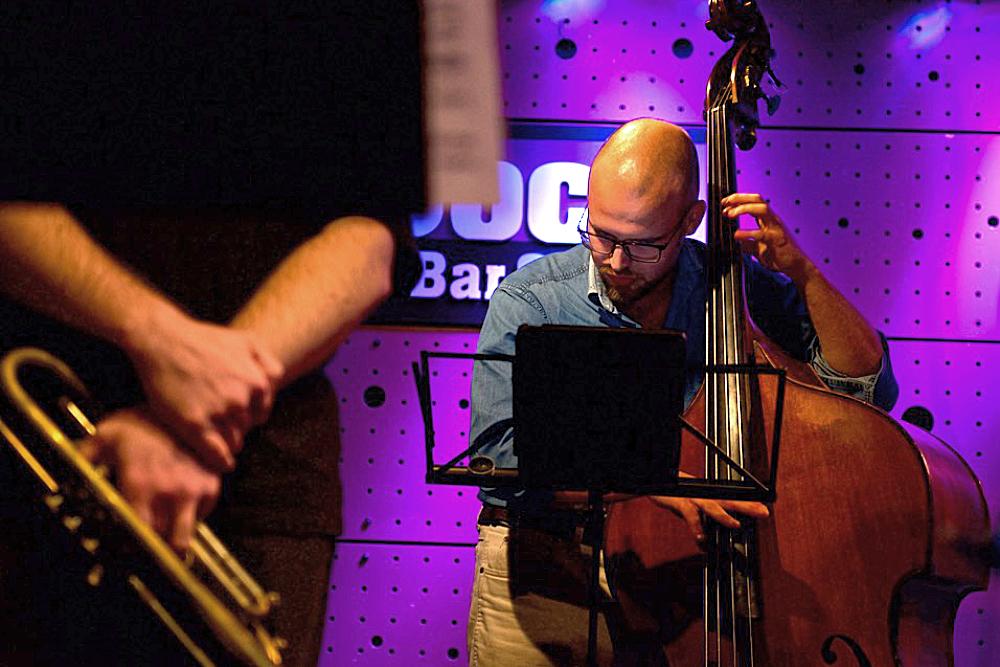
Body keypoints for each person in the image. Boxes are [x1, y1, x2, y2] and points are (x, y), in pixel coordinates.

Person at [0, 2, 423, 666]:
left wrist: (194, 398)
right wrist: (165, 344)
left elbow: (371, 240)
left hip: (259, 477)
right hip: (50, 443)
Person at [467, 118, 898, 666]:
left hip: (683, 577)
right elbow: (498, 459)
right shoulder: (530, 299)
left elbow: (863, 391)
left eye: (643, 245)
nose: (617, 261)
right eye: (600, 234)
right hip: (547, 564)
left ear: (691, 220)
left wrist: (804, 275)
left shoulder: (734, 284)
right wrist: (651, 482)